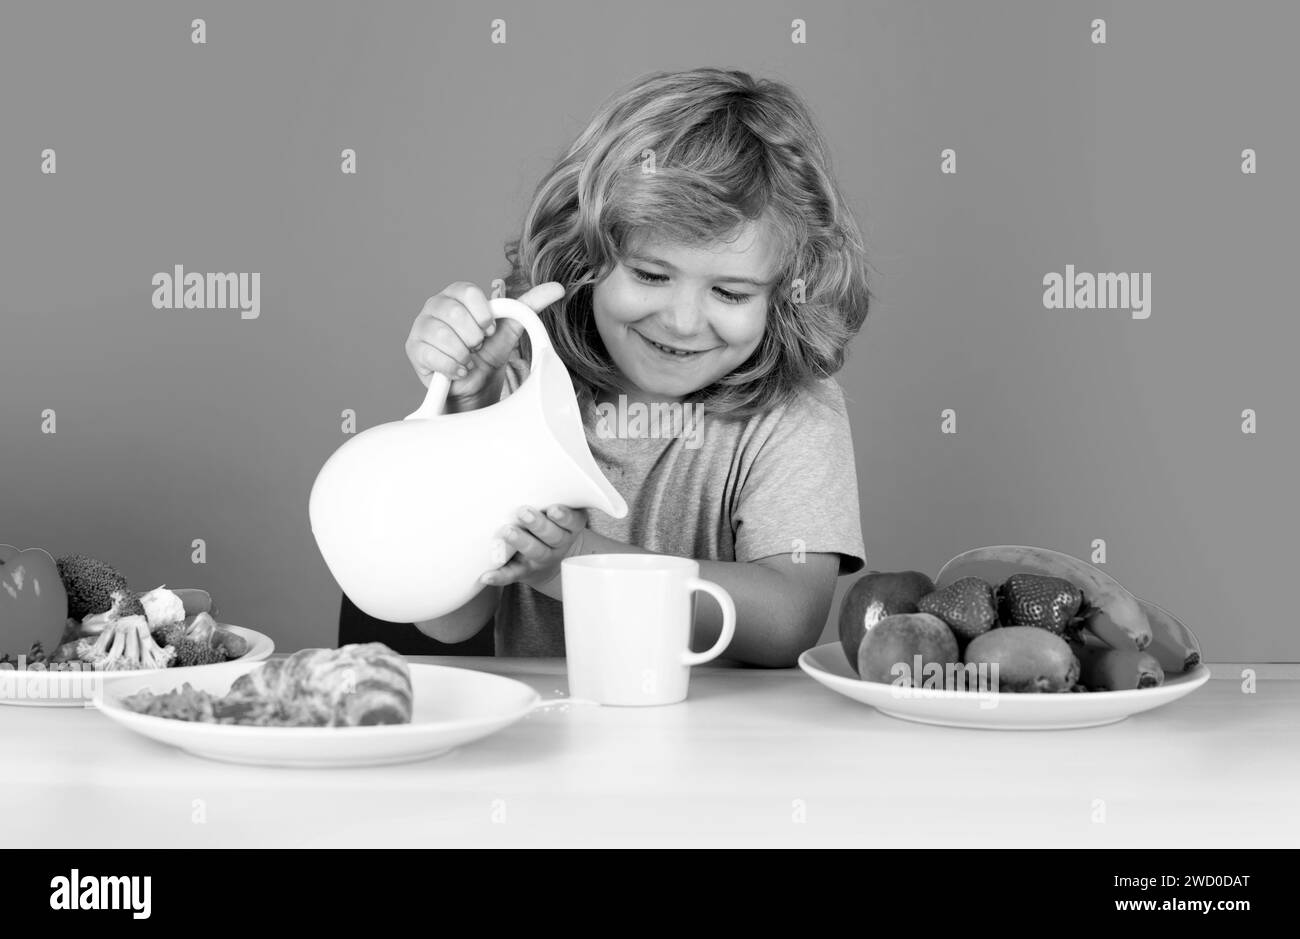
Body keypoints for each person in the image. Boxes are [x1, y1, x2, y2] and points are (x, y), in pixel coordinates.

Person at [404, 68, 870, 667]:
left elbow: (785, 622)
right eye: (651, 275)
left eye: (730, 293)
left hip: (735, 753)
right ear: (586, 257)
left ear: (784, 294)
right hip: (549, 747)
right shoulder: (522, 384)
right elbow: (446, 619)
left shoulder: (794, 411)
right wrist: (466, 417)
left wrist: (576, 560)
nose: (681, 321)